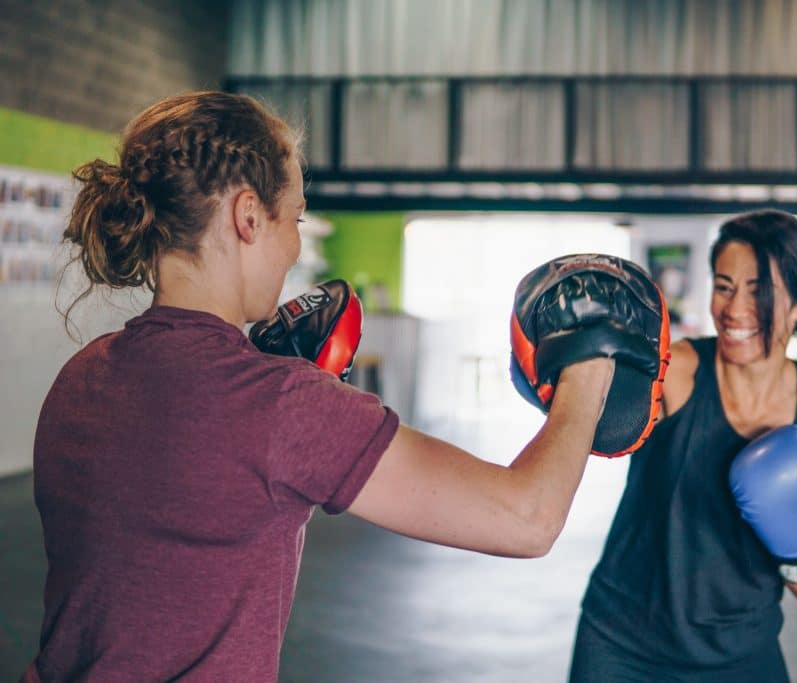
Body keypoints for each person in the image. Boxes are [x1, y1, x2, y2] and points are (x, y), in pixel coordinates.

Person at [23, 91, 618, 682]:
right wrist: (588, 369)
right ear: (249, 216)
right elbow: (527, 518)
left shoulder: (82, 376)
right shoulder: (278, 405)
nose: (295, 246)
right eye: (297, 217)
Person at [568, 210, 797, 682]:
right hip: (624, 647)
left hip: (743, 654)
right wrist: (581, 358)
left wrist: (794, 525)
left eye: (759, 290)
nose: (735, 309)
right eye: (724, 286)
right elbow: (591, 414)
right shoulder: (676, 372)